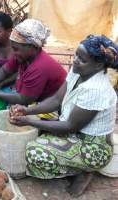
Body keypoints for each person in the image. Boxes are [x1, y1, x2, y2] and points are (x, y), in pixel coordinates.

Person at [9, 35, 117, 197]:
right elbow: (56, 99)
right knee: (36, 132)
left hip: (93, 146)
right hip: (73, 129)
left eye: (82, 59)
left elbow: (69, 126)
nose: (75, 60)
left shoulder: (96, 89)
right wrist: (27, 111)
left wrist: (28, 121)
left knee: (34, 151)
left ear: (99, 65)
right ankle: (75, 163)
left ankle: (86, 169)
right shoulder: (77, 72)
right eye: (76, 55)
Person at [0, 19, 67, 118]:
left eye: (16, 49)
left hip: (54, 107)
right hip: (37, 100)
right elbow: (4, 70)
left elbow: (24, 99)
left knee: (18, 119)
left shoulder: (39, 67)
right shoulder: (21, 56)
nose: (13, 52)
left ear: (33, 47)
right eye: (13, 48)